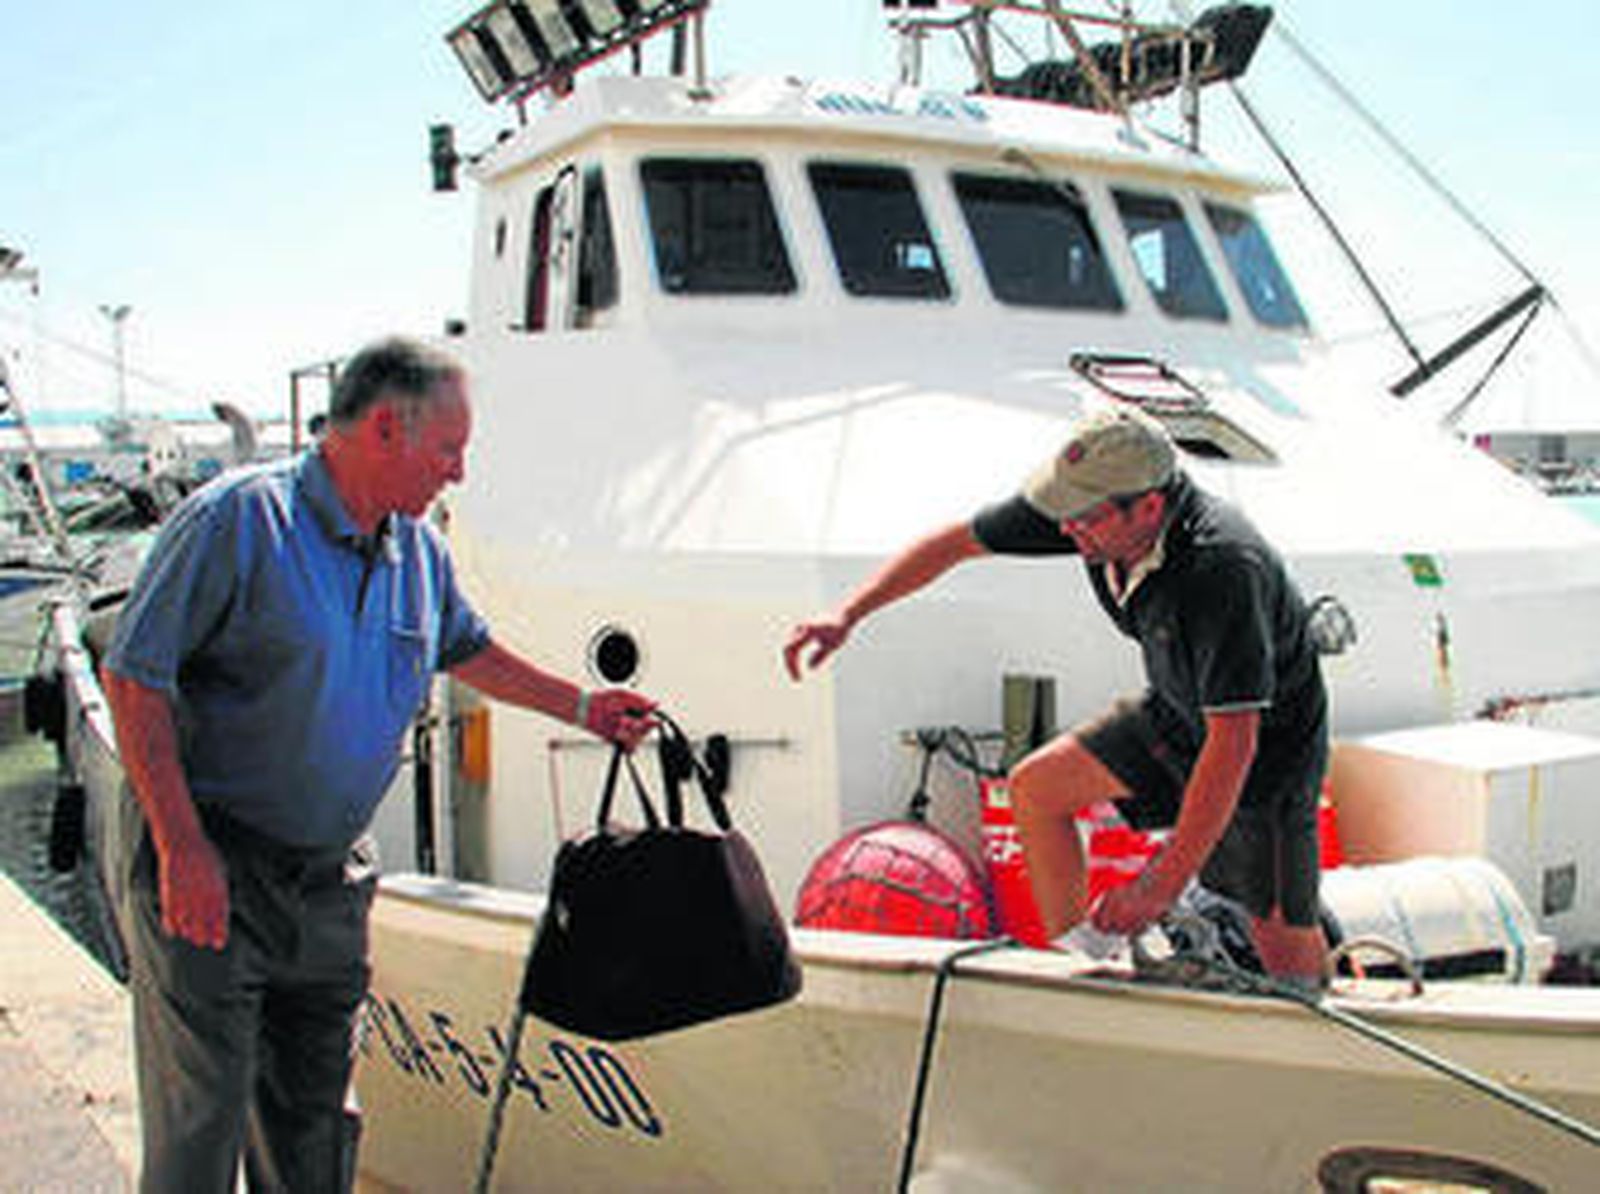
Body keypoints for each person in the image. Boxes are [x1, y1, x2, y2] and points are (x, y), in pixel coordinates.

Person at [101, 336, 657, 1193]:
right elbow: (134, 679)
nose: (458, 474)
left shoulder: (420, 553)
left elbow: (470, 652)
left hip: (328, 884)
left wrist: (584, 708)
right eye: (450, 450)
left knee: (317, 1132)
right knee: (200, 1134)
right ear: (387, 429)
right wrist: (181, 851)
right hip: (215, 873)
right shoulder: (238, 521)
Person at [783, 406, 1328, 986]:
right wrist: (847, 614)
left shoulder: (1223, 567)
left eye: (1083, 519)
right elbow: (954, 544)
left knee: (1274, 920)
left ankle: (1329, 1034)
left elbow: (1235, 743)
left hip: (1264, 751)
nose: (1065, 529)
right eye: (1063, 513)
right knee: (1037, 787)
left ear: (1148, 507)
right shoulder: (1086, 507)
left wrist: (1157, 887)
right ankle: (1092, 967)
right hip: (1176, 712)